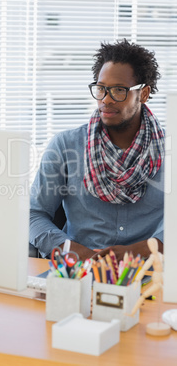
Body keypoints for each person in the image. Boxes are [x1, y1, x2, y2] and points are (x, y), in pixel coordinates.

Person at [29, 39, 165, 263]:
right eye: (101, 88)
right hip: (78, 271)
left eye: (119, 90)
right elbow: (34, 214)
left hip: (149, 273)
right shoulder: (65, 145)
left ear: (143, 94)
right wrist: (70, 249)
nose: (106, 99)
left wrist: (141, 251)